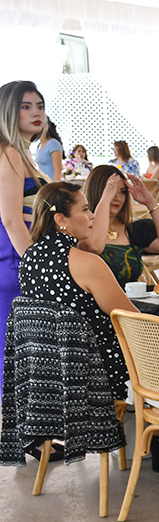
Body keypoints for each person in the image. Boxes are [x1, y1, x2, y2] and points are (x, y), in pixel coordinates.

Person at [0, 180, 135, 466]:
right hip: (96, 375)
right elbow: (130, 317)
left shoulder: (29, 258)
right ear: (61, 219)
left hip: (49, 380)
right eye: (85, 210)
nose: (93, 216)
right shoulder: (85, 262)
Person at [0, 80, 47, 398]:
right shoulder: (11, 153)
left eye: (39, 106)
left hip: (18, 258)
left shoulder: (22, 153)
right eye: (26, 107)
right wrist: (36, 265)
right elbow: (11, 218)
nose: (36, 113)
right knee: (14, 356)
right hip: (15, 260)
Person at [78, 165, 159, 287]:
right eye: (111, 191)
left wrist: (150, 202)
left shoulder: (132, 229)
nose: (117, 198)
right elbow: (94, 246)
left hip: (132, 297)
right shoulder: (80, 229)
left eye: (122, 192)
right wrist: (105, 199)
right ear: (95, 191)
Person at [34, 116, 63, 181]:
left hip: (50, 182)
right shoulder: (39, 144)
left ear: (46, 127)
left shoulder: (53, 143)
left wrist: (55, 185)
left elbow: (58, 169)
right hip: (42, 182)